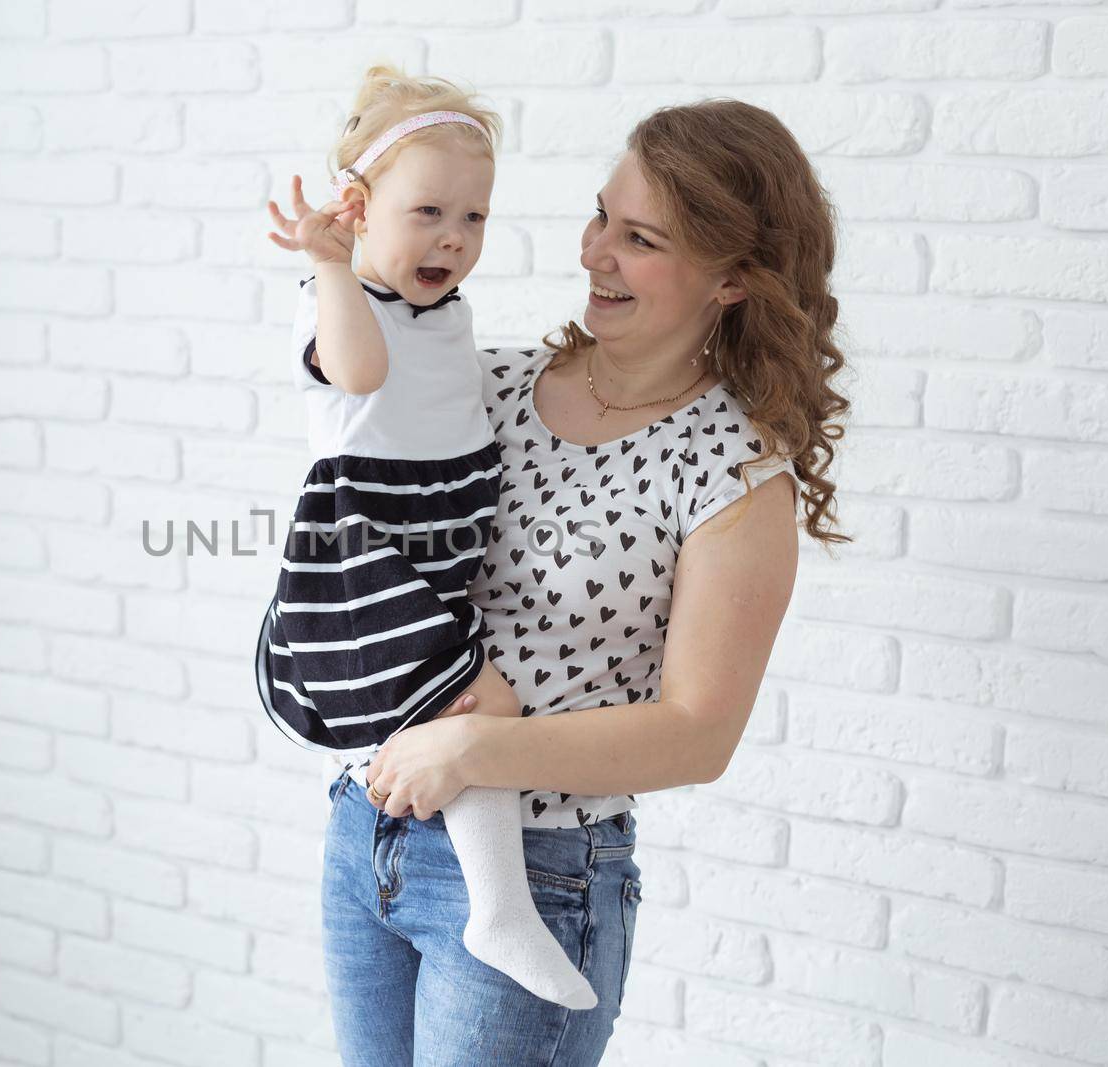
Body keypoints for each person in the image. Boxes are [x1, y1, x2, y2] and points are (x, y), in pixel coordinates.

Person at [319, 99, 853, 1065]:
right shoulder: (487, 381)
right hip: (370, 832)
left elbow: (699, 733)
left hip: (541, 874)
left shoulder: (732, 475)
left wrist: (476, 748)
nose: (593, 252)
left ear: (732, 279)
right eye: (600, 216)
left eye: (639, 237)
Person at [253, 65, 599, 1010]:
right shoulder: (334, 305)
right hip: (367, 545)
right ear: (357, 208)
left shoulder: (444, 309)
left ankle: (472, 894)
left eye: (476, 218)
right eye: (429, 213)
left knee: (448, 708)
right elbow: (360, 374)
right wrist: (330, 265)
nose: (455, 236)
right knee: (476, 698)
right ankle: (500, 906)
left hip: (435, 540)